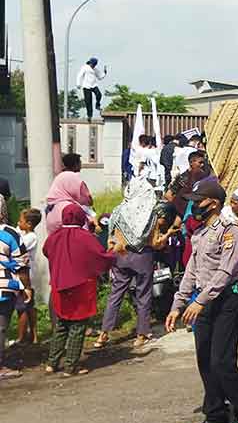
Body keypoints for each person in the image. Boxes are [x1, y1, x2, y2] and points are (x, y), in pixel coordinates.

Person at [165, 179, 238, 423]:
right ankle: (215, 414)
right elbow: (191, 272)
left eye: (198, 202)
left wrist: (199, 300)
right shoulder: (199, 233)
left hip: (227, 301)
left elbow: (226, 272)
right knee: (204, 359)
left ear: (214, 203)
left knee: (222, 360)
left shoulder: (231, 231)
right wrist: (177, 305)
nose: (194, 207)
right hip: (203, 301)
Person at [42, 202, 116, 377]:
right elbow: (100, 256)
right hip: (80, 287)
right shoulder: (85, 236)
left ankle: (51, 363)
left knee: (61, 324)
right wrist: (113, 252)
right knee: (77, 325)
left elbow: (46, 251)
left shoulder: (54, 236)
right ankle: (71, 366)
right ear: (80, 217)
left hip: (59, 286)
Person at [96, 173, 159, 348]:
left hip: (121, 256)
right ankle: (141, 334)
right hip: (143, 257)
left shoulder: (117, 210)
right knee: (143, 295)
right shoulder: (150, 213)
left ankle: (103, 334)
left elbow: (111, 237)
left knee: (115, 294)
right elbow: (154, 241)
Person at [0, 209, 32, 379]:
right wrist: (26, 287)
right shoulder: (10, 233)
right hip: (3, 287)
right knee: (0, 327)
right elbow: (21, 264)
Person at [44, 153, 94, 236]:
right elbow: (86, 198)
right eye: (80, 162)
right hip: (67, 212)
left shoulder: (59, 176)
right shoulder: (74, 177)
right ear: (76, 164)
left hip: (52, 213)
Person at [12, 208, 41, 346]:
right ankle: (33, 336)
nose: (19, 222)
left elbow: (16, 247)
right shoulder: (24, 234)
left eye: (21, 221)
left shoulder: (31, 237)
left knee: (22, 306)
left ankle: (21, 337)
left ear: (29, 224)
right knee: (29, 307)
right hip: (25, 274)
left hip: (26, 276)